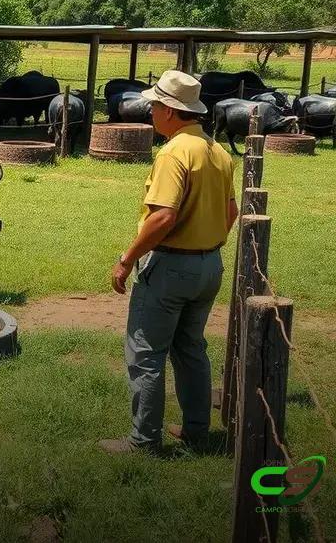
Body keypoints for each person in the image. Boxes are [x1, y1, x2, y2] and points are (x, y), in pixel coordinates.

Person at [100, 70, 238, 454]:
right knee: (191, 348)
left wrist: (127, 259)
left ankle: (143, 442)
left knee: (145, 353)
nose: (151, 111)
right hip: (209, 267)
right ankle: (197, 431)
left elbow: (163, 217)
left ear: (172, 111)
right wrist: (208, 244)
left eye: (156, 105)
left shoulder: (174, 152)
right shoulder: (218, 152)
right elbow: (231, 211)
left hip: (171, 268)